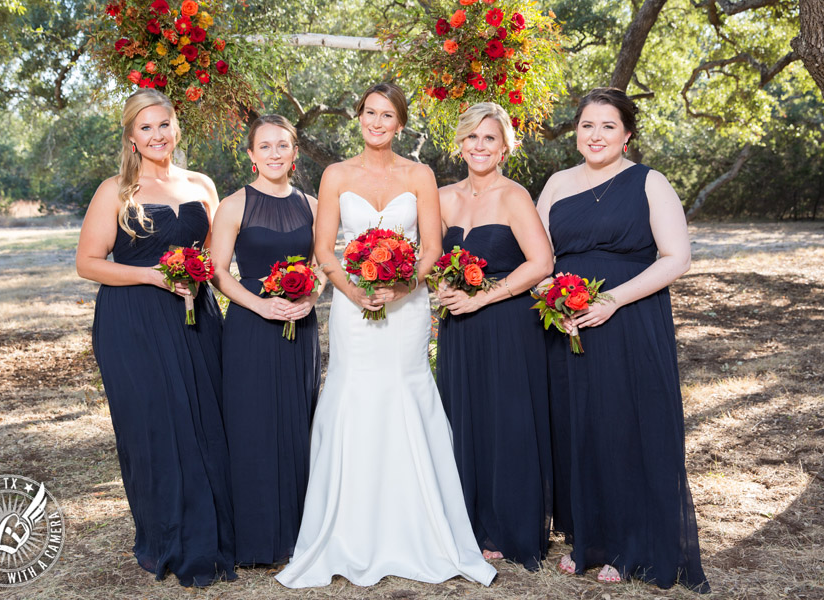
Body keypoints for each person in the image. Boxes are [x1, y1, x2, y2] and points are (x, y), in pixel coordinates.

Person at [275, 82, 496, 589]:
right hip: (353, 309)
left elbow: (433, 250)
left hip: (408, 306)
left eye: (387, 115)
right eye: (369, 113)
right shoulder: (335, 174)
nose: (377, 122)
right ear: (359, 118)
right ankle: (349, 532)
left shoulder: (420, 174)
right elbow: (325, 250)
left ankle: (420, 529)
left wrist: (401, 286)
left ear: (400, 123)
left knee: (406, 392)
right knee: (354, 395)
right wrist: (353, 293)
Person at [536, 87, 710, 592]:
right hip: (568, 323)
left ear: (627, 134)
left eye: (608, 126)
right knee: (578, 426)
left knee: (625, 426)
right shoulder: (555, 185)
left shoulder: (649, 183)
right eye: (588, 125)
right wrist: (557, 299)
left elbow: (676, 257)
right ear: (575, 132)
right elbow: (541, 259)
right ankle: (586, 538)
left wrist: (611, 301)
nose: (596, 135)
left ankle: (630, 544)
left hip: (629, 320)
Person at [75, 88, 236, 586]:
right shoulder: (114, 192)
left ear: (176, 127)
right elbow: (87, 263)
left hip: (195, 316)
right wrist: (151, 275)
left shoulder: (202, 184)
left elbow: (213, 257)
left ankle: (215, 534)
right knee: (154, 430)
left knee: (207, 421)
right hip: (134, 321)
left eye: (164, 124)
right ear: (131, 137)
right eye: (145, 128)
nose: (157, 134)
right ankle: (166, 539)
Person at [435, 102, 554, 570]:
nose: (479, 146)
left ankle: (509, 527)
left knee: (506, 421)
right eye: (471, 137)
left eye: (489, 138)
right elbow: (434, 259)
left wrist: (481, 298)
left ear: (505, 146)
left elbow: (541, 263)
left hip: (506, 323)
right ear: (460, 143)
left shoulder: (514, 197)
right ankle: (469, 524)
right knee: (464, 418)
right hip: (458, 328)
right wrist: (443, 288)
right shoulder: (442, 197)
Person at [209, 115, 322, 566]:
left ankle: (300, 535)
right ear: (251, 154)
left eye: (284, 145)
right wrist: (260, 306)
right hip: (251, 326)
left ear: (295, 153)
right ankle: (257, 539)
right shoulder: (234, 205)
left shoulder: (313, 205)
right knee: (252, 425)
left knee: (300, 422)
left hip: (300, 323)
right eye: (266, 146)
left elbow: (321, 266)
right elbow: (218, 272)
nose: (275, 153)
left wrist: (311, 297)